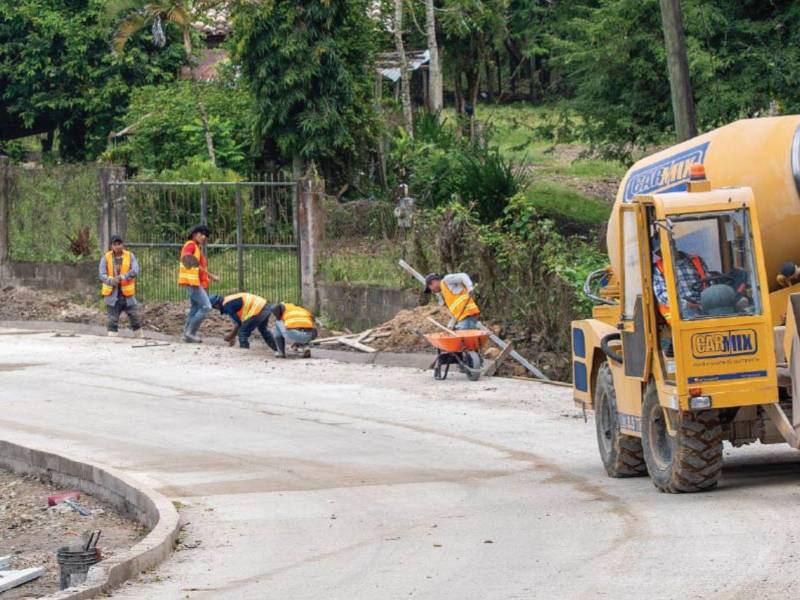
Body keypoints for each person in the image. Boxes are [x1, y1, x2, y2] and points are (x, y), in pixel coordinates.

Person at [652, 237, 709, 322]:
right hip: (682, 310)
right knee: (692, 319)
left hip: (704, 302)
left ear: (673, 243)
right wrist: (687, 304)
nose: (664, 252)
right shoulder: (658, 269)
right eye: (659, 252)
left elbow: (709, 282)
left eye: (667, 246)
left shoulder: (696, 260)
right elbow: (663, 296)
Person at [178, 224, 219, 343]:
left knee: (195, 308)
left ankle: (186, 334)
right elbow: (186, 257)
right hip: (192, 282)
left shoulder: (196, 247)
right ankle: (190, 333)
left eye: (205, 235)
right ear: (195, 234)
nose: (204, 237)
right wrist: (211, 275)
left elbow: (197, 265)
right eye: (202, 234)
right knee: (206, 306)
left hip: (194, 282)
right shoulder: (191, 245)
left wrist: (208, 276)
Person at [99, 235, 143, 338]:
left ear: (122, 245)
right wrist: (111, 280)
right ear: (111, 246)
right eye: (115, 244)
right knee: (112, 319)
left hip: (128, 295)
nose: (117, 246)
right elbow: (102, 274)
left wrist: (124, 276)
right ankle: (112, 339)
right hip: (112, 295)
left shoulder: (130, 256)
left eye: (119, 244)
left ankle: (139, 337)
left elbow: (135, 270)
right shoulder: (106, 257)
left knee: (135, 317)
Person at [209, 293, 277, 351]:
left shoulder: (227, 305)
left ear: (216, 305)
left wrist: (231, 335)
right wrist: (233, 335)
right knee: (263, 329)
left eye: (213, 307)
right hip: (265, 306)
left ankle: (244, 352)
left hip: (257, 309)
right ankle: (278, 349)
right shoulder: (228, 301)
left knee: (242, 332)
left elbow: (239, 323)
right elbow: (239, 321)